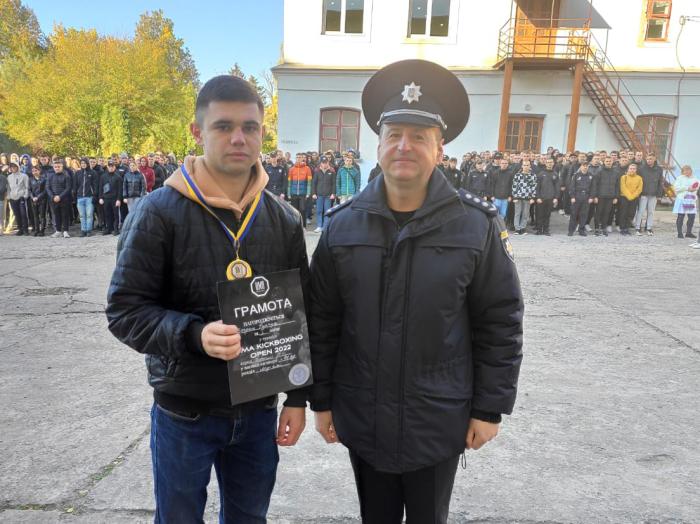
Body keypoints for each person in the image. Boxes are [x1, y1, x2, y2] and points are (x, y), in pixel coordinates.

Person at [309, 59, 523, 524]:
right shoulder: (342, 226)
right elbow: (322, 321)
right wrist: (320, 400)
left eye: (419, 136)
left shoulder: (476, 226)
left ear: (440, 148)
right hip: (363, 413)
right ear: (379, 144)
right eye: (394, 135)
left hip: (438, 417)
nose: (404, 146)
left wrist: (489, 408)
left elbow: (500, 322)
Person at [106, 75, 308, 523]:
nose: (239, 138)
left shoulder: (284, 218)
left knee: (249, 517)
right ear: (197, 132)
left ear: (262, 132)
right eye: (223, 126)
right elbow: (125, 311)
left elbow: (301, 314)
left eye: (250, 127)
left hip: (258, 411)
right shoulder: (158, 212)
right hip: (185, 410)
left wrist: (298, 397)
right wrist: (194, 335)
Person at [634, 153, 664, 236]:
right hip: (643, 194)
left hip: (653, 194)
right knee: (640, 211)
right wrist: (638, 193)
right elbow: (638, 181)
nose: (649, 160)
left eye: (651, 159)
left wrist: (659, 194)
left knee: (651, 212)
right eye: (647, 159)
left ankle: (649, 228)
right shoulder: (641, 168)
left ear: (654, 159)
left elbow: (660, 182)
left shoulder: (659, 169)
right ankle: (637, 227)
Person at [593, 156, 620, 237]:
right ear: (604, 162)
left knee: (606, 213)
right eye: (607, 161)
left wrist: (616, 197)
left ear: (612, 162)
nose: (608, 162)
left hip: (610, 196)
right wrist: (595, 196)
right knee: (598, 213)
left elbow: (617, 186)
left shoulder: (616, 172)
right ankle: (597, 228)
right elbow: (595, 184)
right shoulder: (599, 171)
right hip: (600, 196)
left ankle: (604, 228)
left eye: (610, 161)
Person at [46, 160, 73, 238]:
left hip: (64, 199)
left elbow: (68, 188)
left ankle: (65, 231)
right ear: (53, 167)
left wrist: (60, 197)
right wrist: (53, 196)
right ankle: (58, 231)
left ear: (62, 167)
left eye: (59, 167)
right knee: (56, 215)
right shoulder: (50, 176)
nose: (57, 168)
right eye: (55, 167)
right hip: (53, 199)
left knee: (65, 215)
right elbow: (47, 188)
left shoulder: (66, 176)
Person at [567, 162, 594, 237]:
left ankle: (581, 230)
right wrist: (572, 197)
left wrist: (591, 197)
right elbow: (572, 187)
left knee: (584, 215)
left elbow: (593, 187)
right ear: (581, 167)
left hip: (586, 197)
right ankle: (571, 230)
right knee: (574, 214)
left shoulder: (591, 176)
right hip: (577, 197)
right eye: (583, 166)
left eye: (586, 166)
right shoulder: (576, 175)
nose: (585, 167)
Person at [73, 158, 99, 237]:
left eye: (84, 163)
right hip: (80, 197)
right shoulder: (77, 173)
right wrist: (75, 195)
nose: (83, 165)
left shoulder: (93, 173)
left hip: (89, 197)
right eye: (82, 163)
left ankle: (88, 230)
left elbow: (95, 185)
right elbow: (75, 185)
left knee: (89, 215)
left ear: (87, 164)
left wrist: (95, 195)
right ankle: (83, 230)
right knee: (82, 215)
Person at [672, 165, 698, 239]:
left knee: (692, 216)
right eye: (685, 170)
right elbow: (676, 188)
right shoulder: (680, 178)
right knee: (681, 216)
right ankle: (679, 233)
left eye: (688, 170)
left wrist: (693, 189)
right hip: (682, 199)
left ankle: (688, 233)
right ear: (682, 172)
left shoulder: (695, 179)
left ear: (691, 171)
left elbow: (696, 187)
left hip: (691, 200)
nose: (686, 172)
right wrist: (687, 188)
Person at [511, 159, 537, 235]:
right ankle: (517, 229)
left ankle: (523, 228)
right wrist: (514, 197)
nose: (526, 167)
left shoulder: (533, 175)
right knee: (517, 213)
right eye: (524, 165)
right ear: (522, 166)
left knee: (525, 213)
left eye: (527, 165)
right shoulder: (517, 175)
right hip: (518, 197)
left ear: (530, 166)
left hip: (528, 197)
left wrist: (532, 197)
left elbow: (534, 187)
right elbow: (514, 186)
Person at [312, 155, 337, 232]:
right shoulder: (317, 171)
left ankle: (325, 227)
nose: (324, 164)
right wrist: (314, 193)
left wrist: (333, 193)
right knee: (319, 211)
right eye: (323, 163)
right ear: (321, 163)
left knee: (327, 211)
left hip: (328, 195)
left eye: (326, 162)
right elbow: (314, 183)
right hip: (319, 195)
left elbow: (334, 184)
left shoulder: (332, 171)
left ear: (328, 163)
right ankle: (319, 226)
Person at [534, 157, 559, 236]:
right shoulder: (541, 174)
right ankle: (539, 230)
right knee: (540, 215)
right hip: (541, 198)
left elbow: (557, 187)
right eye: (548, 162)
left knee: (547, 215)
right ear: (545, 163)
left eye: (551, 162)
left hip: (550, 198)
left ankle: (546, 230)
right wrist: (538, 197)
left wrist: (556, 198)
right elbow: (537, 187)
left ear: (553, 163)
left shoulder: (555, 174)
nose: (549, 164)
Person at [98, 161, 123, 236]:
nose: (111, 168)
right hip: (106, 198)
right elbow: (100, 188)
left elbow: (120, 189)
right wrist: (100, 197)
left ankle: (116, 229)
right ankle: (108, 228)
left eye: (112, 166)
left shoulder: (118, 177)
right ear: (107, 167)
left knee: (115, 215)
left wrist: (118, 199)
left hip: (114, 199)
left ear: (114, 167)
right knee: (107, 214)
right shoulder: (103, 176)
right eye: (109, 166)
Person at [287, 153, 312, 227]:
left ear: (302, 158)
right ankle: (295, 226)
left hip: (303, 193)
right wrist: (288, 193)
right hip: (293, 193)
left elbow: (309, 182)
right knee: (294, 211)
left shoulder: (307, 168)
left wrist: (308, 192)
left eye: (300, 157)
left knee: (302, 209)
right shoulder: (291, 169)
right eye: (297, 157)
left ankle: (303, 226)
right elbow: (289, 182)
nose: (298, 158)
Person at [619, 163, 643, 236]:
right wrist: (629, 196)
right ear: (628, 169)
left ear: (636, 170)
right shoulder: (624, 177)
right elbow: (623, 187)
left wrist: (632, 196)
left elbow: (639, 189)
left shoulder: (639, 178)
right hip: (624, 198)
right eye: (631, 168)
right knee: (623, 213)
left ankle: (627, 228)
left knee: (631, 214)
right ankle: (622, 228)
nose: (632, 170)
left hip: (634, 198)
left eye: (634, 169)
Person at [7, 162, 30, 235]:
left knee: (23, 214)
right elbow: (8, 188)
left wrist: (25, 196)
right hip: (12, 198)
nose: (13, 168)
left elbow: (27, 187)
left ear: (18, 167)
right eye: (11, 167)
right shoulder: (9, 177)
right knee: (17, 214)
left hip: (21, 197)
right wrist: (9, 196)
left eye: (14, 166)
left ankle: (25, 229)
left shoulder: (24, 176)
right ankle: (20, 229)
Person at [28, 165, 47, 236]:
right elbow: (29, 190)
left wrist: (38, 197)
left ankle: (42, 231)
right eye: (33, 171)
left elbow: (45, 190)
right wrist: (32, 197)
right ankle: (36, 230)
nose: (34, 172)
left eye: (36, 170)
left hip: (42, 200)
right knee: (35, 216)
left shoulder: (44, 179)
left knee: (42, 216)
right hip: (33, 200)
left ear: (39, 171)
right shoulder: (30, 179)